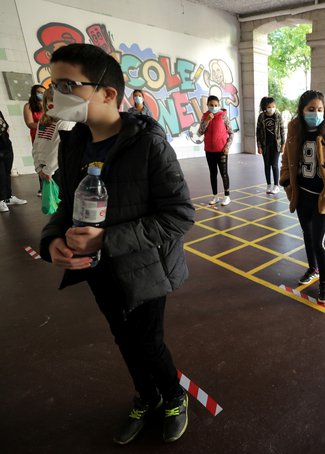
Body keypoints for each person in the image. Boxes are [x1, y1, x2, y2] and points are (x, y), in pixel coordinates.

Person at [40, 43, 195, 444]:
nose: (56, 95)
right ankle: (146, 396)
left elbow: (179, 215)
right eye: (53, 84)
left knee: (148, 340)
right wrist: (53, 238)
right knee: (122, 336)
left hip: (143, 268)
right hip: (97, 268)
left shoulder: (148, 144)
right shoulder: (74, 142)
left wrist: (106, 240)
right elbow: (70, 203)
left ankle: (174, 397)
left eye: (67, 84)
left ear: (108, 93)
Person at [280, 90, 325, 303]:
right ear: (302, 111)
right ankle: (312, 269)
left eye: (320, 109)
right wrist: (286, 179)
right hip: (302, 195)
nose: (316, 113)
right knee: (307, 235)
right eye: (311, 109)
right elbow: (286, 158)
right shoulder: (295, 132)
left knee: (320, 241)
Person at [32, 87, 75, 185]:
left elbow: (58, 149)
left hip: (58, 167)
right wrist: (38, 167)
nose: (54, 103)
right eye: (51, 100)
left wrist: (48, 170)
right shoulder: (42, 121)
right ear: (45, 102)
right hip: (44, 166)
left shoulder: (66, 122)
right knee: (49, 198)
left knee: (60, 199)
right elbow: (36, 144)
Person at [198, 95, 233, 206]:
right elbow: (200, 132)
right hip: (209, 150)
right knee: (213, 173)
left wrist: (227, 146)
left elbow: (231, 133)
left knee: (224, 173)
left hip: (222, 151)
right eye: (211, 105)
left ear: (219, 105)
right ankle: (215, 196)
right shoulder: (205, 116)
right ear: (207, 105)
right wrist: (207, 120)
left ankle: (227, 196)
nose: (214, 107)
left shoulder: (223, 116)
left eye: (216, 105)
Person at [256, 96, 285, 194]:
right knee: (267, 165)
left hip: (276, 144)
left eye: (273, 106)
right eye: (269, 106)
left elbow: (282, 130)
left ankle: (276, 186)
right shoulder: (261, 117)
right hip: (265, 145)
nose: (271, 108)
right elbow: (258, 132)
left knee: (275, 164)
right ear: (265, 107)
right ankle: (268, 184)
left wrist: (283, 144)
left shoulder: (278, 115)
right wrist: (259, 146)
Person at [0, 109, 28, 213]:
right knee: (0, 173)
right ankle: (1, 200)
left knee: (7, 171)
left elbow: (5, 126)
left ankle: (8, 197)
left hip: (5, 142)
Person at [24, 84, 46, 196]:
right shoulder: (28, 106)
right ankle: (42, 188)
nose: (41, 94)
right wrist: (44, 125)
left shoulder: (48, 104)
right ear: (34, 93)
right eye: (39, 92)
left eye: (43, 92)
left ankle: (55, 186)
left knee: (52, 160)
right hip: (37, 137)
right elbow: (29, 123)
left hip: (50, 136)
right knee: (41, 161)